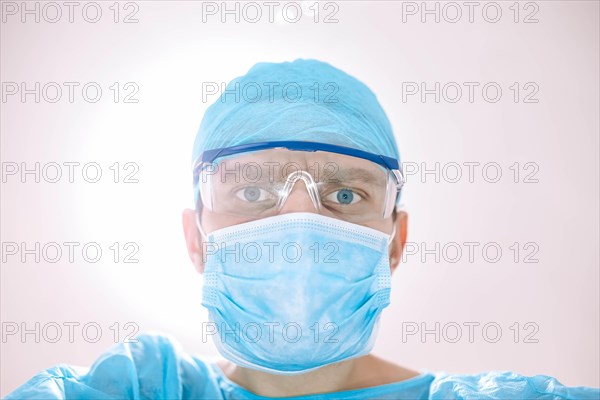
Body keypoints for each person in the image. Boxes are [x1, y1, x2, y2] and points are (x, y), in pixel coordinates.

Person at [7, 59, 599, 399]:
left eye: (345, 194)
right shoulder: (144, 388)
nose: (298, 224)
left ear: (394, 242)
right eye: (253, 191)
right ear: (196, 240)